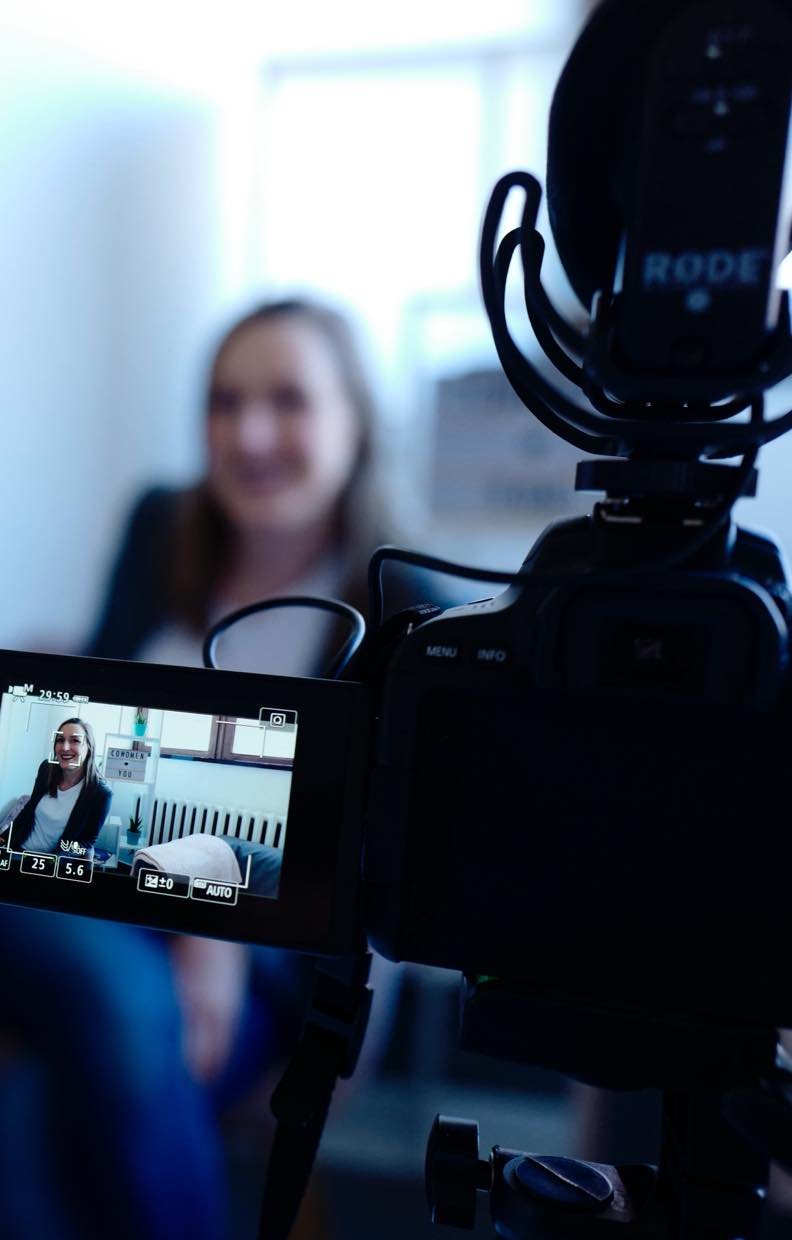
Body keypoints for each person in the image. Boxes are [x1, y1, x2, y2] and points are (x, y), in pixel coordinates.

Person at [0, 296, 421, 1240]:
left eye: (288, 401)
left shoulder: (402, 606)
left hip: (257, 970)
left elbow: (394, 879)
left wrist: (238, 950)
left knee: (48, 1102)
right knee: (111, 1006)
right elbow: (90, 721)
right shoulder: (162, 529)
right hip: (76, 899)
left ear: (356, 421)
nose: (250, 434)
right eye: (225, 403)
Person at [8, 718, 111, 857]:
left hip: (53, 860)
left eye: (75, 740)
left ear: (89, 748)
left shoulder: (101, 793)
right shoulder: (46, 768)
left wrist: (55, 861)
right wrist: (4, 838)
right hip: (18, 849)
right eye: (60, 740)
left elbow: (86, 842)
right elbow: (29, 808)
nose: (65, 747)